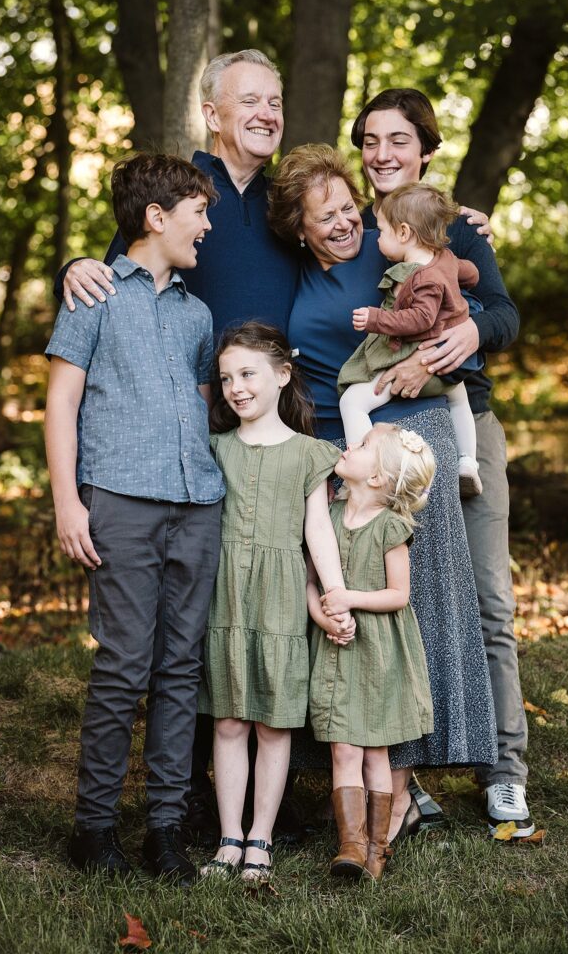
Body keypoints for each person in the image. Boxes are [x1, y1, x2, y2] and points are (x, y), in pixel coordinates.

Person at [52, 51, 495, 839]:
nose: (265, 111)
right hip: (194, 435)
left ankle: (286, 785)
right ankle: (186, 794)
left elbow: (376, 242)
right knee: (209, 613)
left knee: (279, 609)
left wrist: (458, 233)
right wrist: (75, 263)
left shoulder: (292, 201)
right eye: (247, 100)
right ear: (212, 112)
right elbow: (122, 262)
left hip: (284, 429)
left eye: (275, 99)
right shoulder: (185, 189)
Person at [268, 143, 498, 842]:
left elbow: (471, 309)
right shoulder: (290, 274)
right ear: (298, 229)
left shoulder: (393, 244)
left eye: (346, 208)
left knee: (421, 605)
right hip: (338, 453)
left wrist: (472, 239)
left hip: (409, 435)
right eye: (323, 216)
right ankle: (353, 773)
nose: (341, 224)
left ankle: (400, 786)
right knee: (348, 617)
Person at [352, 88, 533, 836]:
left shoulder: (458, 229)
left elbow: (502, 313)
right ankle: (408, 776)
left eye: (397, 140)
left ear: (425, 149)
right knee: (406, 602)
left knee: (488, 599)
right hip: (383, 437)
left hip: (464, 423)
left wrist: (470, 337)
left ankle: (505, 771)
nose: (382, 153)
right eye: (369, 141)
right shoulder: (349, 230)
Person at [44, 154, 225, 883]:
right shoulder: (93, 296)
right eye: (197, 213)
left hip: (197, 505)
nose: (207, 227)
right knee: (123, 666)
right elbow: (61, 403)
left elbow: (204, 403)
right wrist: (67, 501)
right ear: (156, 217)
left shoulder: (197, 312)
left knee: (181, 669)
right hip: (119, 498)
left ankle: (165, 829)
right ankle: (92, 830)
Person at [198, 322, 354, 884]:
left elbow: (318, 532)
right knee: (229, 722)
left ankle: (261, 835)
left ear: (282, 375)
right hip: (226, 599)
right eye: (226, 378)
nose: (236, 387)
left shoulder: (312, 454)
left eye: (248, 374)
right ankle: (228, 838)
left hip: (283, 599)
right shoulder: (214, 449)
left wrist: (335, 597)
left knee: (273, 726)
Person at [309, 423, 435, 881]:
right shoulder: (327, 514)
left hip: (378, 651)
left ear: (378, 478)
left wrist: (350, 599)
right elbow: (310, 579)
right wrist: (324, 615)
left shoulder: (390, 528)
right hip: (338, 646)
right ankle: (351, 845)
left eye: (361, 446)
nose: (349, 445)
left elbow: (398, 595)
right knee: (343, 748)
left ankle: (379, 848)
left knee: (374, 752)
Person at [338, 182, 483, 497]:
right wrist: (467, 278)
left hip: (417, 359)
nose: (378, 240)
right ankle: (468, 463)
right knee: (460, 401)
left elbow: (421, 319)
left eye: (384, 233)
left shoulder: (420, 278)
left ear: (403, 233)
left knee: (353, 401)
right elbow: (469, 272)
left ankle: (366, 473)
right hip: (451, 364)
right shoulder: (443, 259)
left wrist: (376, 319)